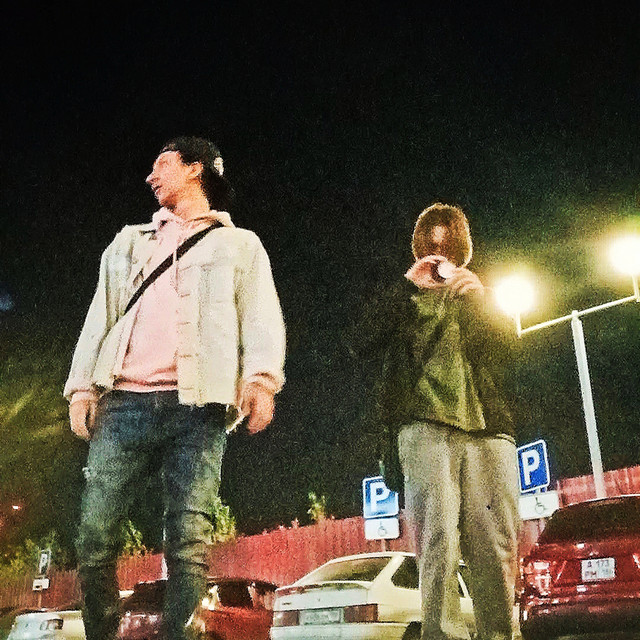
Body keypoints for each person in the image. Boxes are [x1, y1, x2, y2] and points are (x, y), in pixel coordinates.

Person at [64, 136, 286, 640]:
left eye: (161, 164)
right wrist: (82, 389)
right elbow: (100, 314)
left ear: (195, 169)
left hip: (198, 408)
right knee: (94, 537)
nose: (150, 176)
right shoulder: (129, 242)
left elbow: (260, 316)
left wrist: (261, 380)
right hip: (123, 402)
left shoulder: (240, 245)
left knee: (187, 541)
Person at [377, 203, 519, 640]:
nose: (439, 257)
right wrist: (407, 287)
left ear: (463, 252)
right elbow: (360, 341)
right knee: (436, 542)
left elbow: (512, 352)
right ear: (419, 250)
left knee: (495, 545)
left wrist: (481, 299)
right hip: (423, 427)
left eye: (449, 248)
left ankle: (500, 634)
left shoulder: (478, 296)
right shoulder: (403, 298)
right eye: (430, 248)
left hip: (487, 431)